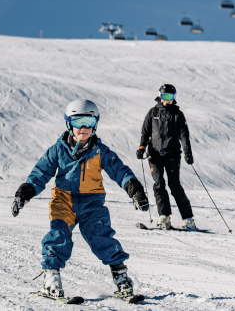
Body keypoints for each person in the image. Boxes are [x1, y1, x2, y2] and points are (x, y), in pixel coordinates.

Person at [11, 99, 149, 300]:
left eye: (88, 121)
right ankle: (51, 279)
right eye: (78, 121)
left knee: (101, 237)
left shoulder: (101, 151)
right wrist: (25, 192)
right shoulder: (58, 150)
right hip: (63, 200)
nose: (83, 128)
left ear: (95, 124)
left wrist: (134, 189)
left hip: (92, 203)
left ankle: (122, 279)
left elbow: (120, 171)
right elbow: (40, 173)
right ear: (69, 124)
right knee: (58, 235)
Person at [137, 84, 196, 230]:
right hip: (155, 155)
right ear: (160, 96)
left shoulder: (178, 115)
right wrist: (141, 148)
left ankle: (188, 219)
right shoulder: (153, 112)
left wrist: (188, 153)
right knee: (158, 185)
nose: (167, 100)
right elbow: (145, 132)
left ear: (174, 98)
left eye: (170, 97)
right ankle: (164, 216)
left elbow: (184, 136)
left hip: (172, 155)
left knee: (174, 186)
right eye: (165, 97)